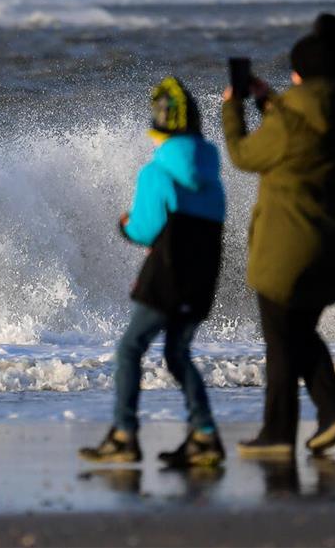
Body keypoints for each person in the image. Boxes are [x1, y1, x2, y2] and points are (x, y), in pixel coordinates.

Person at [221, 13, 335, 459]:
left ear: (300, 73)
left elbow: (245, 154)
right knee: (299, 332)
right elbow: (301, 133)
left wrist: (233, 108)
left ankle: (278, 433)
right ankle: (332, 413)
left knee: (282, 340)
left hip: (288, 246)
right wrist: (270, 102)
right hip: (332, 240)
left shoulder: (291, 118)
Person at [80, 77, 226, 467]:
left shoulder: (156, 172)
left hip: (168, 274)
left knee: (129, 349)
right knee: (178, 354)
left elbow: (144, 229)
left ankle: (124, 435)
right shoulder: (212, 175)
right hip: (203, 276)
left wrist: (124, 224)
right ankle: (205, 435)